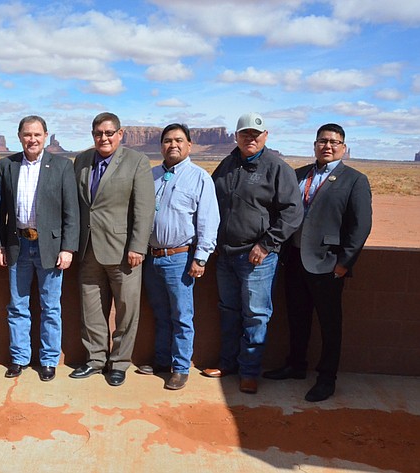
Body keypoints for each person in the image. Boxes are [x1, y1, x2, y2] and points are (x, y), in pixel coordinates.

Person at [263, 123, 372, 402]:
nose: (328, 146)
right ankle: (296, 365)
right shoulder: (298, 175)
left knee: (329, 323)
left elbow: (360, 227)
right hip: (295, 260)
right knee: (297, 318)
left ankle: (326, 377)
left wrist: (344, 263)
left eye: (335, 142)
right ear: (314, 145)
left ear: (343, 148)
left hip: (328, 264)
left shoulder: (355, 180)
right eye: (323, 141)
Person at [202, 112, 303, 394]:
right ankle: (228, 364)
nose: (251, 138)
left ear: (266, 136)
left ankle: (249, 371)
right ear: (236, 136)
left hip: (257, 257)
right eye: (245, 134)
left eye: (256, 134)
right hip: (226, 255)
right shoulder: (227, 164)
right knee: (229, 311)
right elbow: (212, 204)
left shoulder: (277, 167)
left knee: (256, 315)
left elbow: (293, 212)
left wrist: (267, 244)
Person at [70, 112, 155, 387]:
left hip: (123, 251)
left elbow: (144, 209)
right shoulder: (82, 160)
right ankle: (95, 360)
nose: (103, 138)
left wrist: (138, 246)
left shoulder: (137, 161)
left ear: (120, 134)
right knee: (91, 309)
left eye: (109, 133)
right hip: (88, 248)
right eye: (98, 133)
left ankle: (119, 363)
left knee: (126, 309)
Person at [0, 116, 79, 382]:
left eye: (37, 135)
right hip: (18, 244)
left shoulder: (62, 166)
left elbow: (71, 212)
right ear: (19, 136)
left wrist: (68, 248)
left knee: (50, 306)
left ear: (45, 136)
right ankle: (19, 358)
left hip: (50, 247)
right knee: (18, 305)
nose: (32, 139)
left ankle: (49, 360)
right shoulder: (7, 165)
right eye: (27, 135)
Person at [140, 123, 219, 390]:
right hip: (152, 257)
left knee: (182, 315)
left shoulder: (199, 178)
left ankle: (181, 367)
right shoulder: (150, 175)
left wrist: (201, 258)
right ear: (160, 145)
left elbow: (209, 220)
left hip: (181, 258)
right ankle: (162, 361)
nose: (172, 145)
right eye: (167, 141)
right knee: (160, 314)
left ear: (189, 145)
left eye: (178, 140)